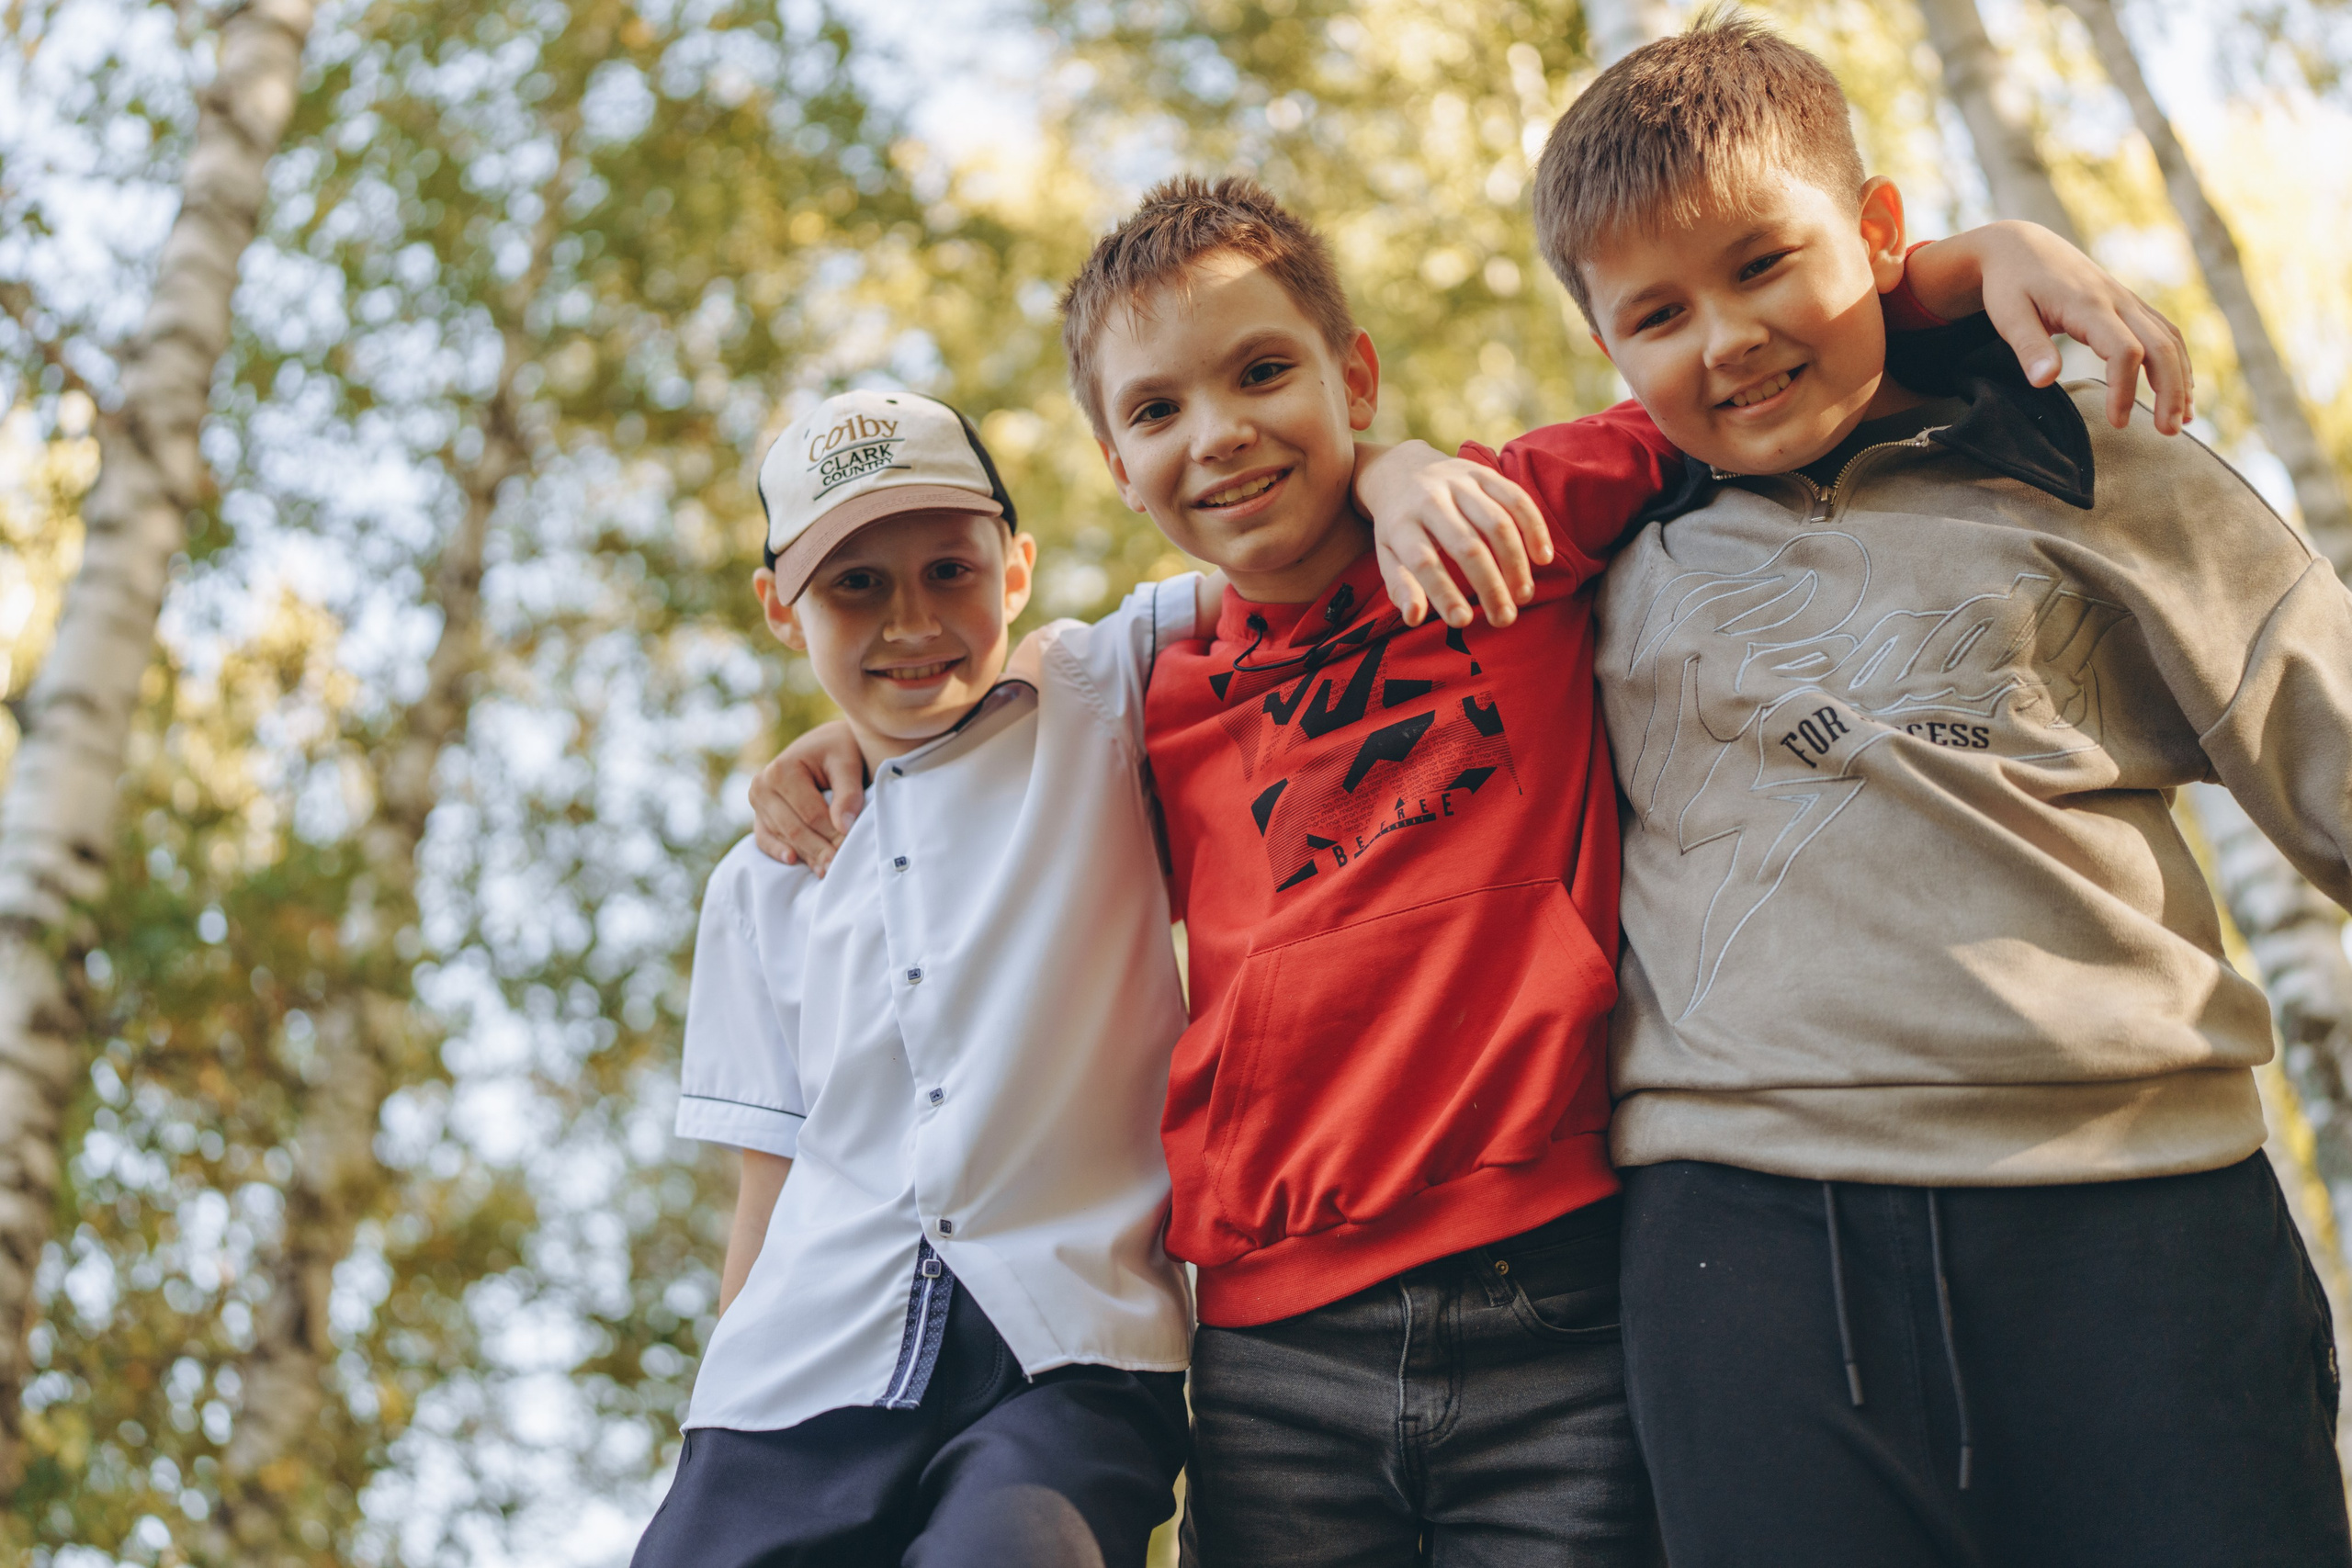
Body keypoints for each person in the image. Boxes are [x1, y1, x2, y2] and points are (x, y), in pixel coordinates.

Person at [751, 179, 2190, 1562]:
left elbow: (1728, 375)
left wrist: (1965, 258)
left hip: (1557, 1297)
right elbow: (958, 702)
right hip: (1272, 1340)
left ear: (1353, 377)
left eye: (1264, 372)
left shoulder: (1508, 516)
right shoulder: (1141, 689)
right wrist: (847, 742)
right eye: (1158, 410)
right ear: (1117, 467)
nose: (1223, 434)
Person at [1455, 15, 2349, 1566]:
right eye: (1658, 312)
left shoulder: (2095, 453)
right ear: (1609, 350)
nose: (1726, 337)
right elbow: (1329, 549)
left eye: (1762, 264)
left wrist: (1976, 262)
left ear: (1882, 236)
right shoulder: (1595, 551)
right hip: (1746, 1249)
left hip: (2143, 1208)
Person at [630, 389, 1210, 1568]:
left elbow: (1285, 555)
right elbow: (769, 1181)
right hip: (795, 1388)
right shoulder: (763, 881)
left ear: (1017, 569)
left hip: (1066, 1364)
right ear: (780, 612)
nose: (911, 620)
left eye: (948, 570)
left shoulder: (1096, 700)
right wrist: (720, 1412)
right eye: (855, 584)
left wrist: (1396, 472)